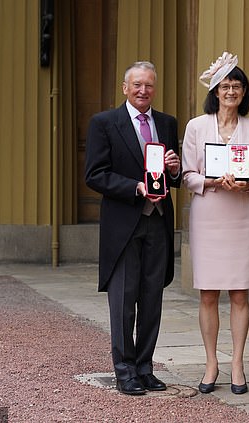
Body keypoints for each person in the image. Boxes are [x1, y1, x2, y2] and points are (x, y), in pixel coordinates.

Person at [85, 61, 181, 395]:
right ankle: (124, 371)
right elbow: (94, 174)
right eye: (137, 85)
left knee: (152, 299)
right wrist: (133, 188)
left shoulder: (167, 123)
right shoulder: (105, 123)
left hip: (158, 222)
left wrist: (175, 168)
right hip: (124, 224)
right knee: (124, 303)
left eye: (149, 85)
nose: (143, 91)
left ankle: (145, 367)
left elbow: (173, 177)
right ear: (125, 87)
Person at [181, 52, 249, 395]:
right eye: (225, 85)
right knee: (207, 295)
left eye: (237, 86)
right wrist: (211, 182)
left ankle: (238, 363)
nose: (231, 91)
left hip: (242, 216)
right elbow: (187, 176)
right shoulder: (196, 126)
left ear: (244, 92)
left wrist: (248, 184)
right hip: (209, 215)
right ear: (215, 90)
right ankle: (211, 361)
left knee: (240, 294)